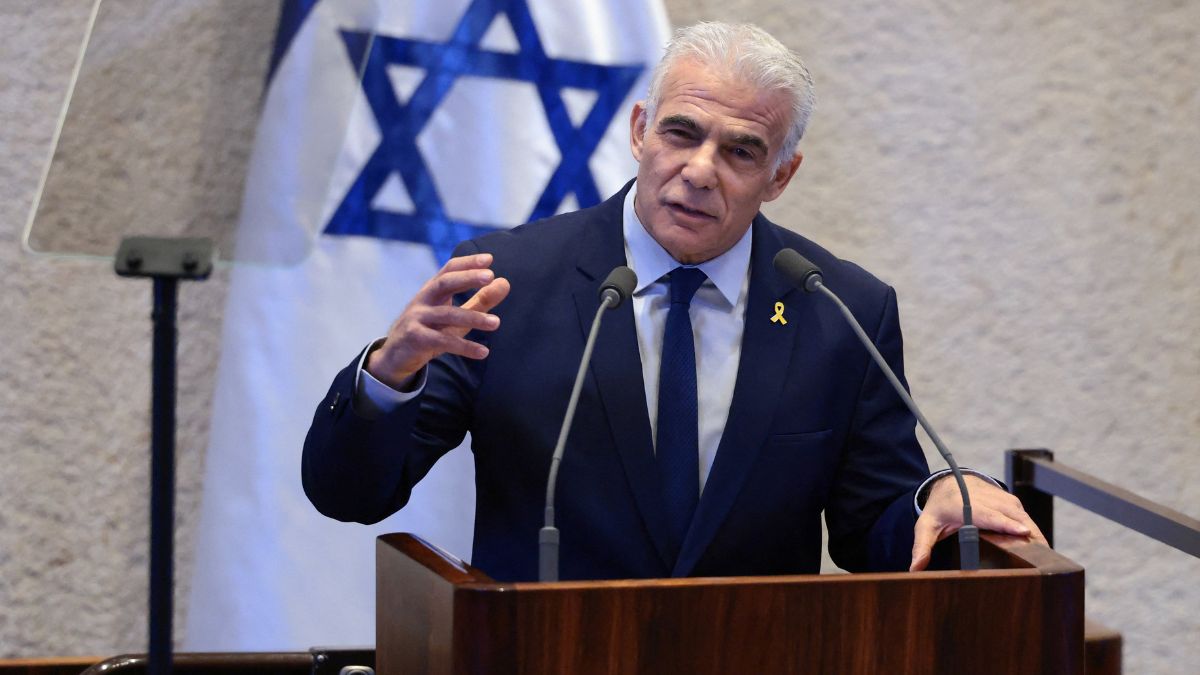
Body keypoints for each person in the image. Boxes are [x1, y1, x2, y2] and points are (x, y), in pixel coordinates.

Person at [302, 22, 1044, 581]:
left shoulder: (840, 309)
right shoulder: (507, 282)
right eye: (681, 133)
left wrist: (933, 501)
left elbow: (868, 531)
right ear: (638, 131)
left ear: (781, 175)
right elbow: (350, 494)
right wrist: (389, 374)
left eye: (740, 150)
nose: (699, 170)